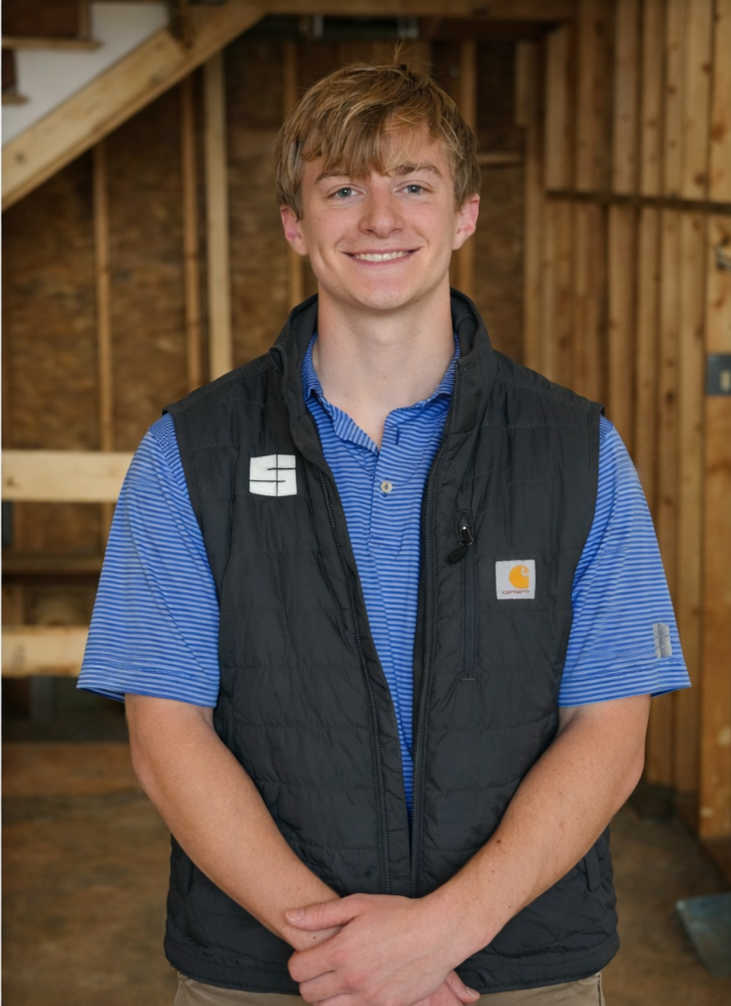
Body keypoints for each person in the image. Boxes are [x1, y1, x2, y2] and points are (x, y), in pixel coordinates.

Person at [79, 61, 690, 1006]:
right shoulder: (187, 451)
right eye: (341, 189)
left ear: (464, 215)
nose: (379, 218)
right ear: (295, 224)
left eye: (413, 184)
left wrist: (443, 930)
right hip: (267, 971)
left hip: (518, 970)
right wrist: (345, 954)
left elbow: (609, 731)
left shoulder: (577, 450)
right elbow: (167, 737)